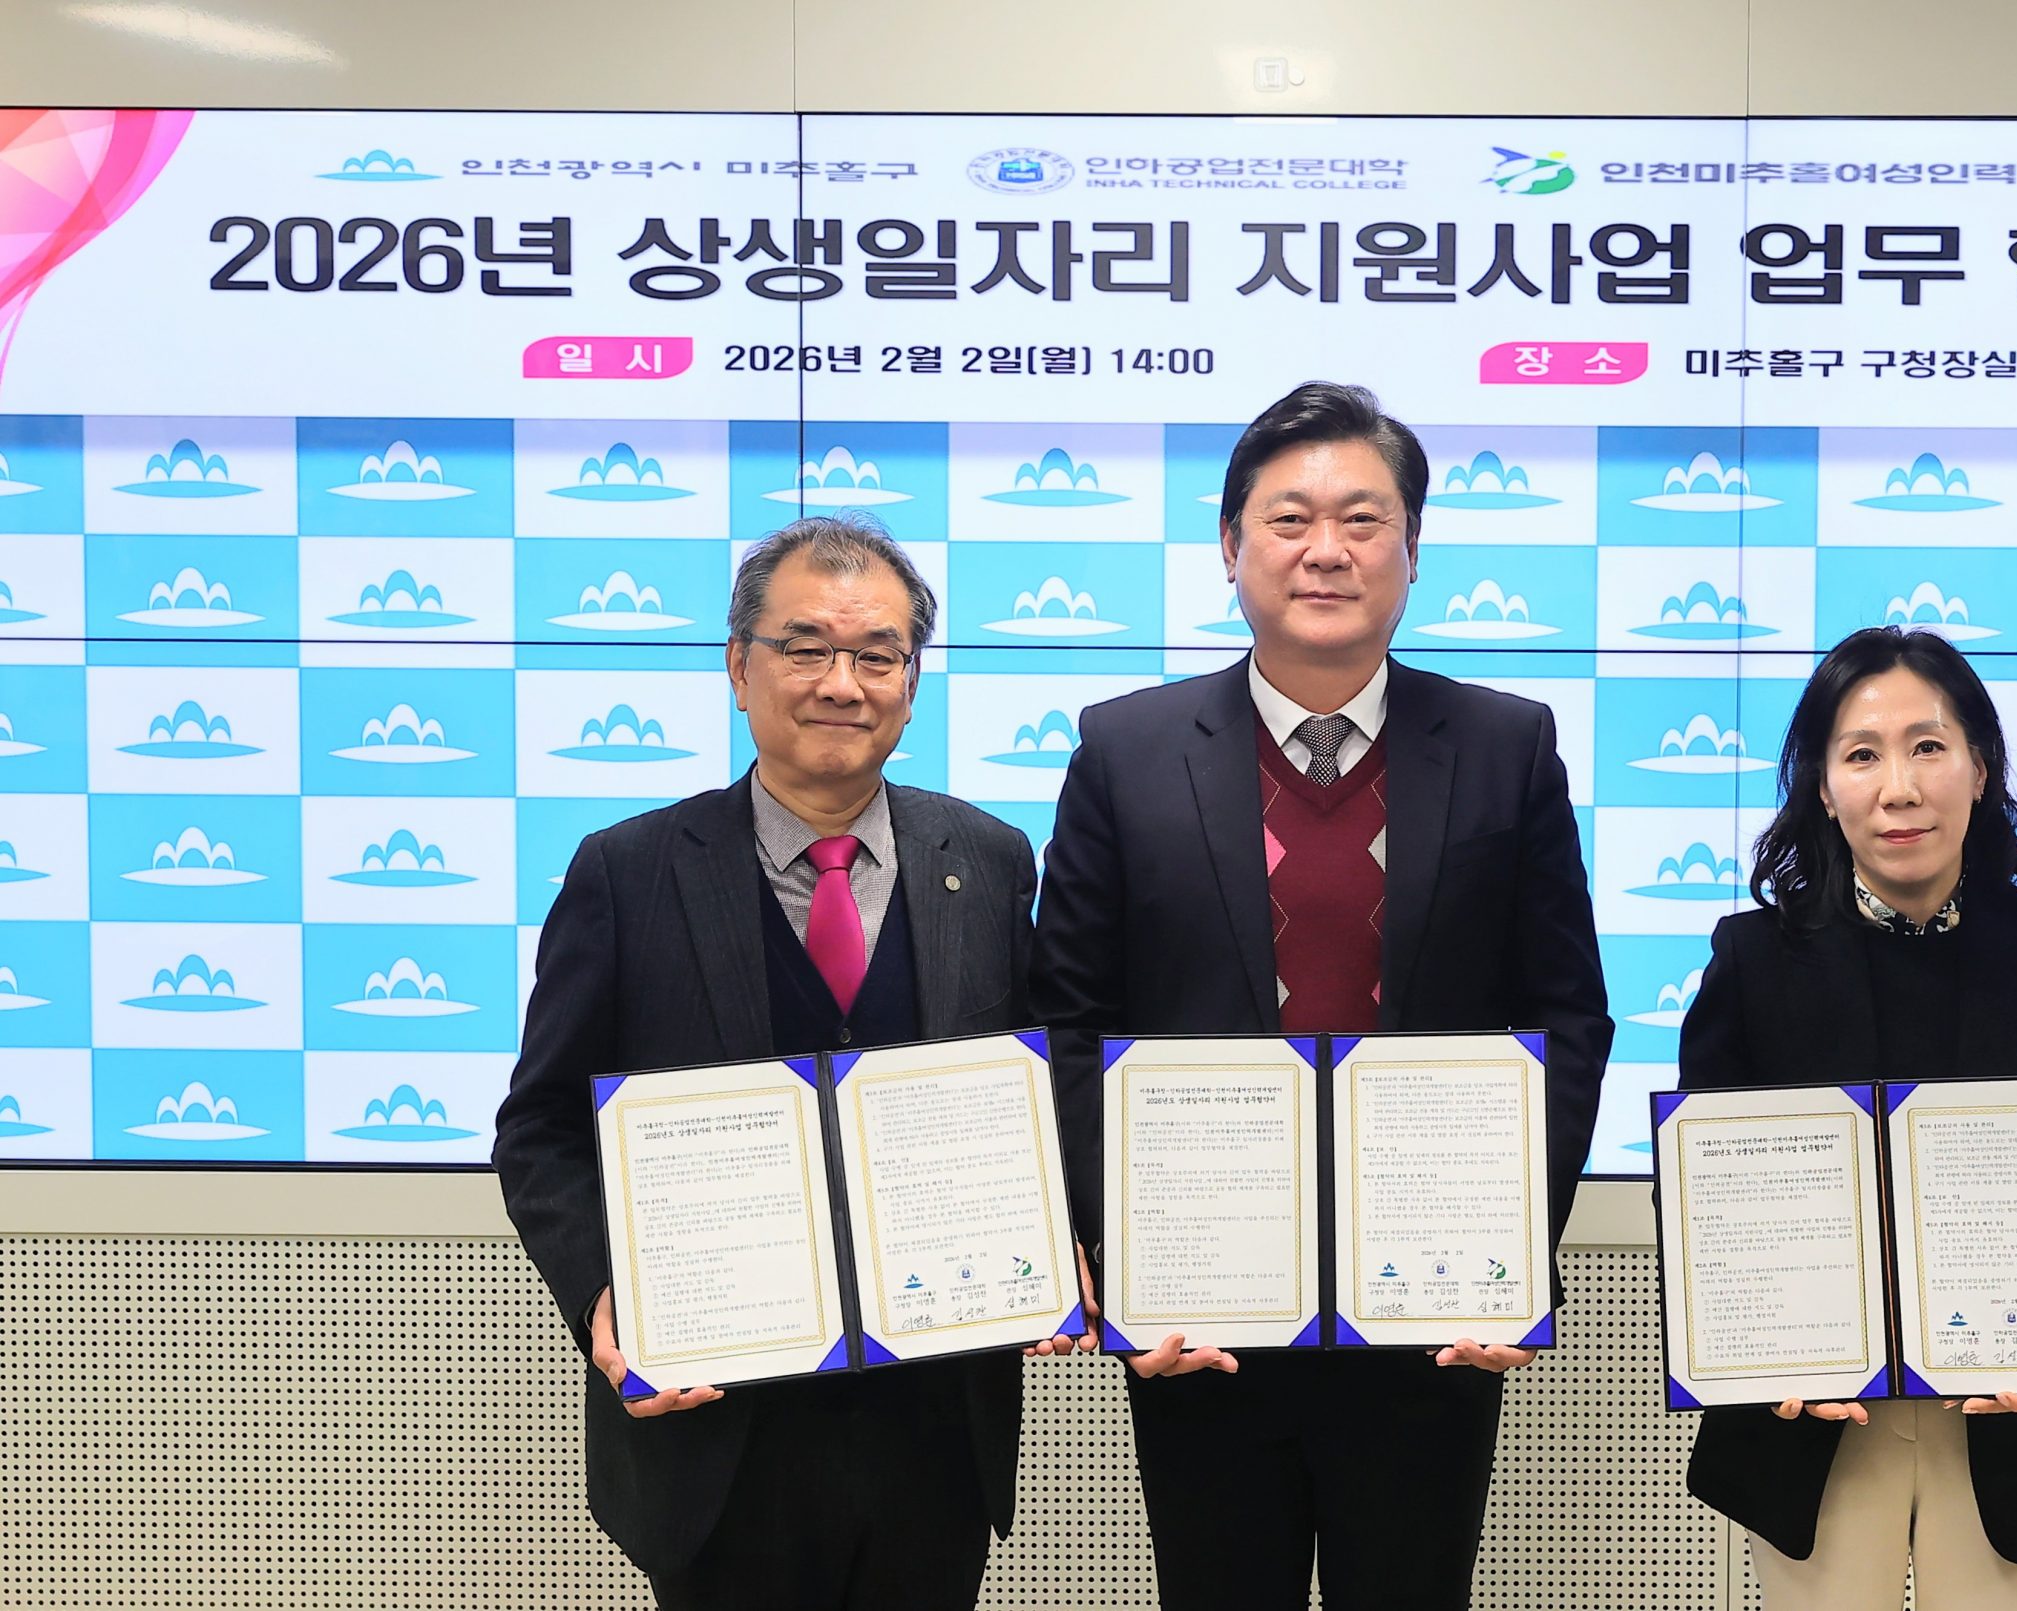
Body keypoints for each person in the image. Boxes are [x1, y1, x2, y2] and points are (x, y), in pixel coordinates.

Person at [1029, 380, 1613, 1611]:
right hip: (1202, 1312)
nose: (1326, 550)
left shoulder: (1506, 746)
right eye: (1289, 519)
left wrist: (1514, 1251)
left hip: (1430, 1312)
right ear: (1229, 544)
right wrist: (1119, 1253)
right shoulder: (1126, 751)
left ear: (1413, 549)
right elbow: (1068, 1022)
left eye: (1363, 518)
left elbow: (1566, 1017)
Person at [493, 515, 1053, 1610]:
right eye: (805, 648)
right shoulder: (627, 872)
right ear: (738, 666)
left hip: (934, 1427)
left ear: (911, 683)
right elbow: (542, 1128)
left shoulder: (988, 862)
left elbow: (1033, 1096)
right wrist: (604, 1295)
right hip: (718, 1430)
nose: (842, 683)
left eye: (877, 655)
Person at [1675, 625, 2017, 1610]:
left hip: (2015, 1416)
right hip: (1816, 1422)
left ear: (1979, 768)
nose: (1897, 787)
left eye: (1928, 746)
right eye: (1861, 755)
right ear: (1823, 787)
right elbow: (1706, 1203)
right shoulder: (1752, 961)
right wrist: (1761, 1347)